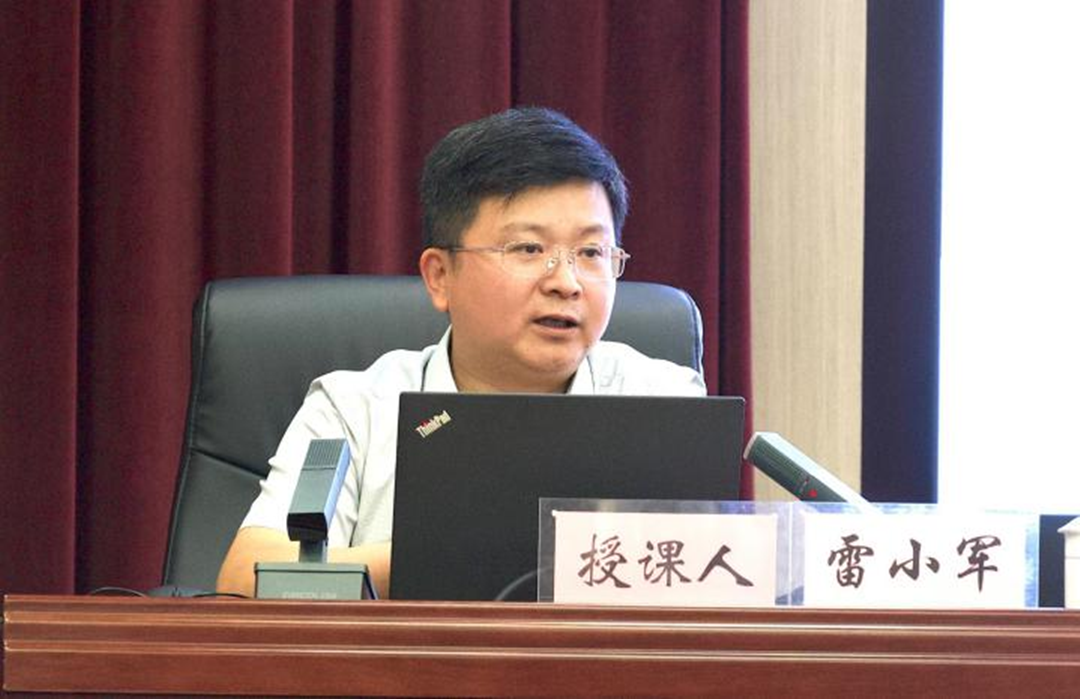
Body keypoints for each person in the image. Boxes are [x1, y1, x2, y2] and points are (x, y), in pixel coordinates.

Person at [215, 107, 706, 597]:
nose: (566, 282)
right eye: (528, 249)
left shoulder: (663, 400)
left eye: (592, 252)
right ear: (440, 276)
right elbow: (247, 578)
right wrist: (478, 554)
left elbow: (707, 584)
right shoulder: (355, 409)